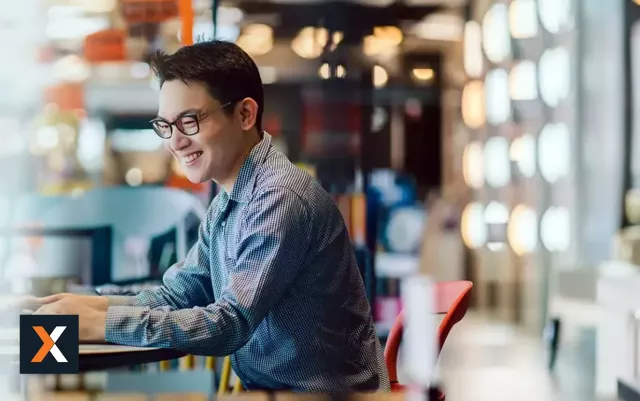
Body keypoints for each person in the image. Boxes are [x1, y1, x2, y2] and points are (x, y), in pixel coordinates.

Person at [31, 40, 390, 393]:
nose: (174, 142)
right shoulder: (227, 201)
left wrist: (102, 322)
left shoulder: (279, 198)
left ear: (245, 114)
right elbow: (179, 295)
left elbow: (229, 324)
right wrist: (82, 303)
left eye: (189, 121)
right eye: (166, 126)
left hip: (324, 398)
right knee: (66, 381)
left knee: (90, 391)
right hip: (269, 392)